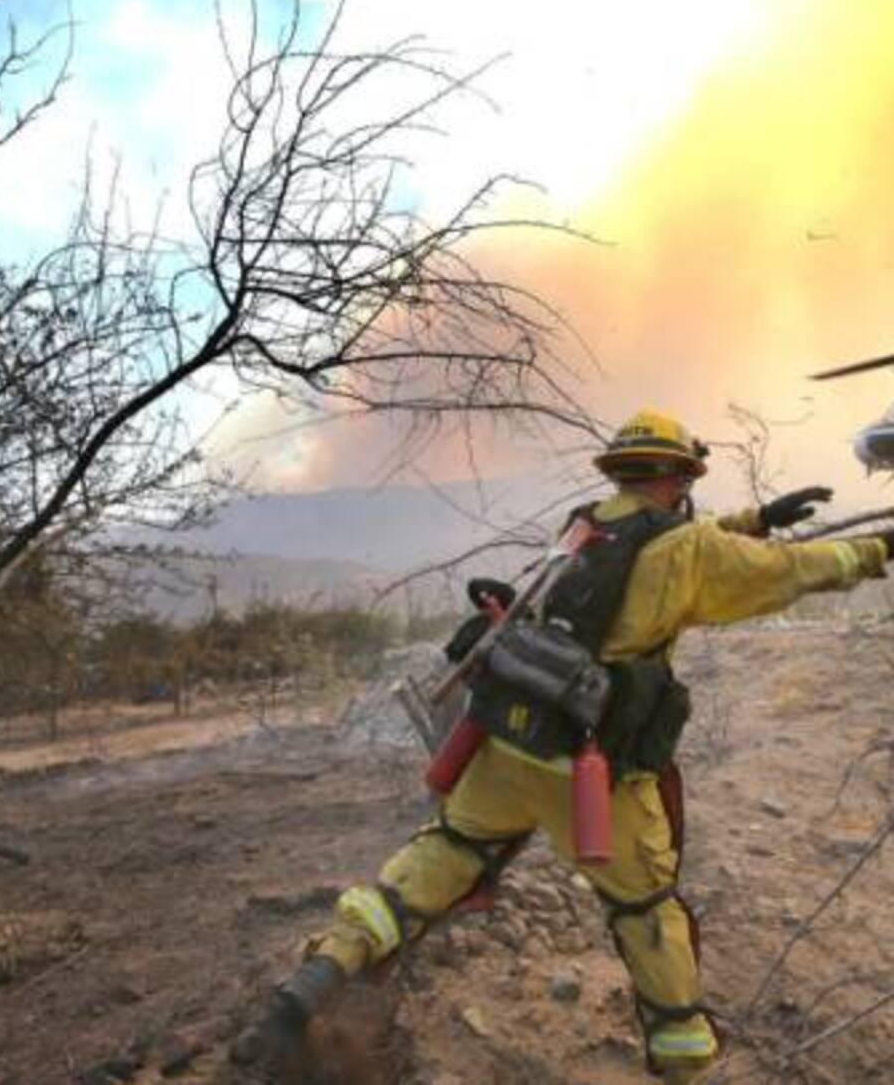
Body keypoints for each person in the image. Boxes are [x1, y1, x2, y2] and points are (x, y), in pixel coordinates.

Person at [233, 408, 893, 1085]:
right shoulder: (686, 550)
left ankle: (317, 978)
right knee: (645, 911)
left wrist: (757, 518)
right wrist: (879, 550)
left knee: (447, 851)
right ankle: (685, 1064)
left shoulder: (586, 526)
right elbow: (786, 571)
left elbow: (665, 549)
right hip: (591, 772)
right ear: (677, 475)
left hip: (508, 743)